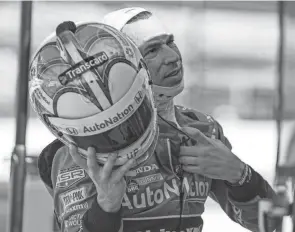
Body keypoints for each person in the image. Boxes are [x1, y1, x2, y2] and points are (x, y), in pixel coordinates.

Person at [35, 9, 279, 232]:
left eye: (170, 42)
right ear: (125, 63)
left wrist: (240, 174)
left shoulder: (202, 129)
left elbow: (272, 224)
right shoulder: (85, 149)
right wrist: (106, 207)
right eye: (152, 50)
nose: (172, 56)